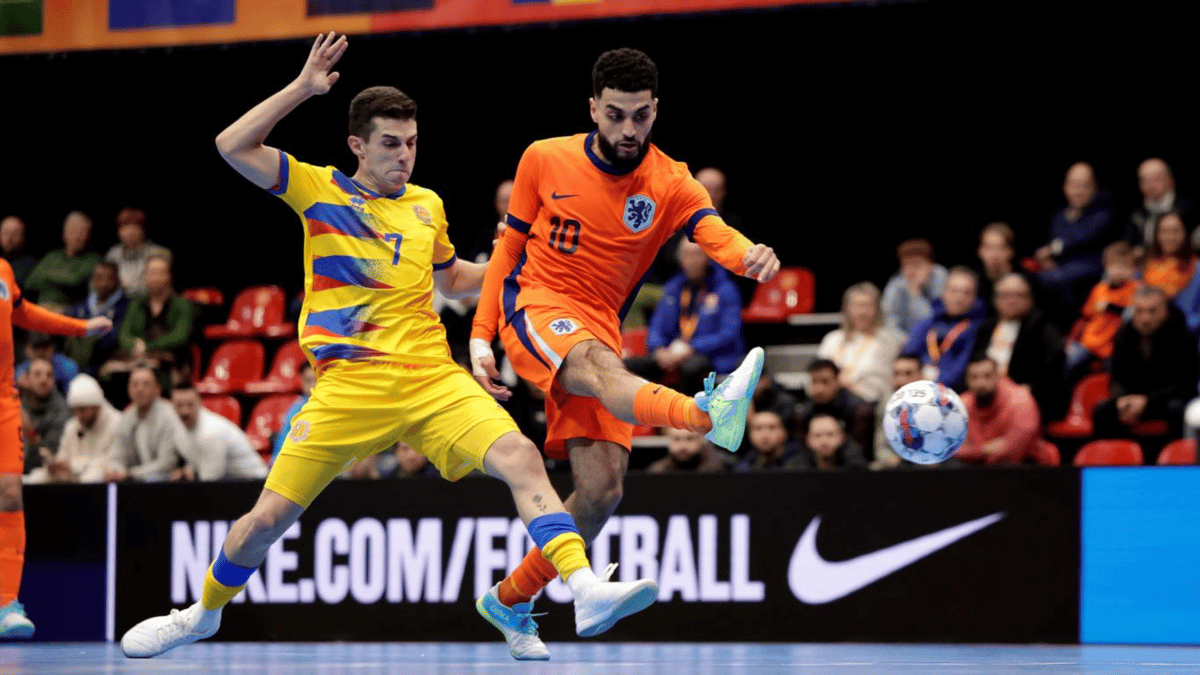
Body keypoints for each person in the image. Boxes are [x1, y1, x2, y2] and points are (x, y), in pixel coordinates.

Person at [122, 33, 659, 660]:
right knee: (264, 524)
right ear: (356, 145)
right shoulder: (318, 190)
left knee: (518, 455)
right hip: (348, 386)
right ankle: (203, 612)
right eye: (389, 144)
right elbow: (231, 145)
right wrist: (301, 88)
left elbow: (451, 280)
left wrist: (515, 257)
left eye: (410, 143)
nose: (404, 156)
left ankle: (583, 584)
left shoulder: (427, 205)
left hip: (431, 376)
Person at [468, 47, 776, 660]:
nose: (628, 130)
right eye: (615, 116)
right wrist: (480, 332)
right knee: (598, 369)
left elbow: (711, 231)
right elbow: (507, 251)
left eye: (640, 116)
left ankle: (509, 597)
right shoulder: (543, 157)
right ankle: (707, 414)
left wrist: (749, 256)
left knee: (602, 490)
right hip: (537, 305)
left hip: (599, 325)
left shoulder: (669, 180)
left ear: (655, 110)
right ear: (592, 109)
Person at [0, 256, 110, 639]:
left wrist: (79, 328)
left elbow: (22, 311)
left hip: (3, 400)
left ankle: (6, 603)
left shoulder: (3, 269)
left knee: (10, 494)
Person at [626, 237, 746, 395]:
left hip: (712, 356)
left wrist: (692, 348)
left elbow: (728, 333)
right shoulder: (673, 288)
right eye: (685, 255)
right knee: (628, 365)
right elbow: (657, 324)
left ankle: (687, 417)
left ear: (708, 258)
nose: (690, 261)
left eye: (696, 255)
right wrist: (659, 349)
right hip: (672, 352)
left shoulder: (725, 290)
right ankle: (641, 415)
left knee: (690, 367)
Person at [1092, 286, 1198, 461]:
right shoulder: (1124, 334)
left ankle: (1179, 464)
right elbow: (1117, 376)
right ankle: (1107, 463)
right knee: (1103, 411)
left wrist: (1148, 402)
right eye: (1139, 311)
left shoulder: (1182, 336)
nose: (1145, 318)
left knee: (1178, 409)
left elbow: (1185, 385)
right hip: (1133, 399)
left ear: (1165, 310)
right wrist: (1122, 400)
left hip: (1165, 400)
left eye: (1152, 311)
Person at [970, 273, 1065, 419]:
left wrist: (1030, 389)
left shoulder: (1042, 326)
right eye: (1005, 295)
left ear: (1030, 299)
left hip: (1024, 398)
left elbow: (1054, 366)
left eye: (1018, 295)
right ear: (995, 300)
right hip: (985, 393)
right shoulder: (986, 327)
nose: (1011, 300)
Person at [1035, 162, 1116, 322]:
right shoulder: (1059, 216)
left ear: (1095, 188)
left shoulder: (1103, 214)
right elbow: (1053, 244)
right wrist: (1048, 258)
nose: (1078, 191)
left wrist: (1052, 250)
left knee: (1051, 280)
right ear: (1065, 187)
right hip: (1059, 271)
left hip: (1090, 270)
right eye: (1074, 185)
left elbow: (1080, 239)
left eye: (1084, 186)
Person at [107, 253, 196, 380]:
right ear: (145, 276)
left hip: (171, 361)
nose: (157, 278)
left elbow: (180, 336)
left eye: (161, 273)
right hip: (137, 360)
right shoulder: (136, 304)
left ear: (169, 276)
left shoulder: (183, 305)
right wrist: (135, 344)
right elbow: (124, 335)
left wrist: (147, 347)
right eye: (152, 273)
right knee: (110, 372)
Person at [1063, 241, 1139, 386]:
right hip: (1091, 342)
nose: (1118, 271)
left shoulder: (1135, 290)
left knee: (1115, 377)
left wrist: (1111, 307)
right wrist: (1073, 340)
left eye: (1124, 266)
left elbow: (1130, 314)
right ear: (1106, 266)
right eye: (1114, 266)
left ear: (1133, 269)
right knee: (1070, 364)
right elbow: (1086, 317)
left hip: (1114, 347)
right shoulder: (1099, 289)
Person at [902, 266, 987, 392]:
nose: (959, 298)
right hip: (917, 389)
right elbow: (908, 356)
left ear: (975, 298)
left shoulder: (978, 329)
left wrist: (932, 387)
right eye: (954, 291)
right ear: (944, 292)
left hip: (952, 392)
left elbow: (961, 369)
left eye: (967, 293)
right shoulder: (926, 323)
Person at [817, 281, 904, 403]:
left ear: (877, 309)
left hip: (867, 401)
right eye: (857, 306)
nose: (862, 312)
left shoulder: (886, 340)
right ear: (847, 308)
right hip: (830, 398)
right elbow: (819, 372)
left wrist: (846, 384)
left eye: (868, 306)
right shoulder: (832, 339)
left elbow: (880, 380)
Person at [26, 374, 121, 484]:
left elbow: (113, 461)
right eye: (75, 410)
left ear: (96, 407)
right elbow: (62, 456)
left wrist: (73, 465)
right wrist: (56, 465)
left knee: (92, 477)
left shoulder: (116, 423)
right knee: (35, 477)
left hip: (100, 478)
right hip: (72, 476)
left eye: (82, 410)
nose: (78, 415)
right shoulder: (72, 425)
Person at [955, 357, 1049, 466]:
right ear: (966, 380)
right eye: (974, 377)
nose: (981, 383)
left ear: (998, 376)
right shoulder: (962, 404)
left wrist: (971, 452)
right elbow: (951, 449)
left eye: (987, 375)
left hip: (1025, 465)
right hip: (978, 467)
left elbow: (1013, 451)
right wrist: (983, 450)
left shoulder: (1020, 399)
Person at [171, 383, 268, 482]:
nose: (185, 411)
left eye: (190, 404)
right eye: (179, 405)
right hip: (229, 482)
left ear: (199, 402)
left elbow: (210, 480)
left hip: (254, 482)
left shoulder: (211, 432)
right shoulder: (177, 427)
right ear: (172, 404)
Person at [107, 366, 187, 483]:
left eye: (146, 384)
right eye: (135, 384)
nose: (140, 389)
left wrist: (131, 474)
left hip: (165, 482)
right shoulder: (126, 418)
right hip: (133, 482)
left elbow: (167, 463)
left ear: (157, 390)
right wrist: (115, 470)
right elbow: (117, 455)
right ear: (129, 390)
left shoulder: (169, 416)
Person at [793, 358, 876, 457]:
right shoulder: (805, 410)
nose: (819, 389)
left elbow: (860, 453)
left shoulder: (860, 411)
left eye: (825, 382)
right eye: (814, 382)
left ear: (837, 381)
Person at [22, 211, 101, 311]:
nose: (77, 236)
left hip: (71, 311)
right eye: (73, 231)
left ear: (89, 236)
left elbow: (73, 281)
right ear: (64, 233)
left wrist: (48, 277)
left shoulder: (93, 259)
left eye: (82, 232)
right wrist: (60, 281)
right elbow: (30, 282)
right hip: (41, 308)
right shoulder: (52, 256)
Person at [64, 261, 129, 374]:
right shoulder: (83, 304)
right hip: (75, 360)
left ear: (118, 280)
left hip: (107, 360)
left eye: (110, 278)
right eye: (99, 278)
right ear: (93, 279)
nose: (104, 283)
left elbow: (114, 339)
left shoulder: (125, 306)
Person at [1125, 158, 1196, 251]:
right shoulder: (1136, 215)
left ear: (1170, 180)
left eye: (1156, 179)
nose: (1150, 186)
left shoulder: (1187, 209)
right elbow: (1129, 243)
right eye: (1145, 181)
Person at [881, 238, 948, 336]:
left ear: (930, 265)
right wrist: (902, 339)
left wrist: (915, 293)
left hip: (937, 337)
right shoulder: (898, 282)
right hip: (906, 340)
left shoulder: (940, 277)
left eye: (916, 264)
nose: (910, 271)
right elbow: (887, 317)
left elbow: (931, 323)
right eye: (906, 265)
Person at [18, 358, 71, 476]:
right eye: (37, 374)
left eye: (49, 375)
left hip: (45, 474)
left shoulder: (62, 410)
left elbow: (49, 457)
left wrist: (30, 432)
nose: (44, 379)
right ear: (26, 379)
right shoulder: (17, 403)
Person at [872, 354, 923, 470]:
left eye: (908, 373)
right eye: (897, 374)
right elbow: (881, 448)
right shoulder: (886, 404)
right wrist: (894, 461)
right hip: (897, 464)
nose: (901, 380)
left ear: (921, 376)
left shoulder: (936, 403)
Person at [105, 207, 170, 297]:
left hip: (147, 301)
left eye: (135, 227)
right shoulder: (113, 253)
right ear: (118, 231)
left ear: (143, 230)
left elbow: (158, 285)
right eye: (125, 228)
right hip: (119, 303)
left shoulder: (159, 253)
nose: (129, 232)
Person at [1141, 210, 1196, 299]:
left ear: (1186, 233)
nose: (1170, 237)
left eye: (1176, 231)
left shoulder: (1196, 269)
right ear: (1156, 234)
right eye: (1164, 231)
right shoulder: (1144, 264)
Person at [787, 413, 868, 471]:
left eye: (830, 434)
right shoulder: (794, 468)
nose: (824, 442)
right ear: (808, 440)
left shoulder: (856, 467)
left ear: (842, 437)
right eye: (817, 435)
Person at [270, 362, 316, 465]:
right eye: (308, 381)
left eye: (316, 380)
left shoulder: (334, 407)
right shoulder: (295, 410)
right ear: (301, 382)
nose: (313, 386)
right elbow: (281, 447)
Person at [735, 410, 799, 472]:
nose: (765, 435)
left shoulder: (799, 465)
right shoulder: (742, 467)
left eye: (772, 427)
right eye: (758, 428)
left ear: (784, 433)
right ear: (749, 434)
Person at [16, 332, 80, 393]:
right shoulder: (21, 370)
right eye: (36, 347)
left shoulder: (67, 367)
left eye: (45, 346)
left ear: (53, 347)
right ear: (27, 349)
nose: (41, 351)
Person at [974, 222, 1017, 313]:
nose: (994, 254)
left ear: (1011, 251)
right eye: (989, 247)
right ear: (980, 251)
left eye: (1000, 248)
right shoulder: (973, 283)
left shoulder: (1024, 284)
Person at [646, 427, 729, 474]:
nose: (683, 446)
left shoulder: (718, 470)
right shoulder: (657, 471)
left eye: (690, 439)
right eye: (676, 439)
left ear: (701, 439)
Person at [0, 216, 36, 287]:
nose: (9, 238)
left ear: (23, 237)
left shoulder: (32, 266)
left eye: (15, 233)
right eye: (6, 232)